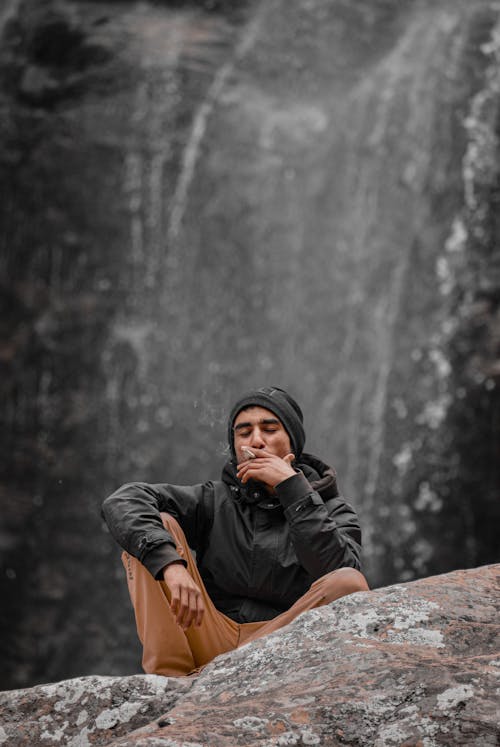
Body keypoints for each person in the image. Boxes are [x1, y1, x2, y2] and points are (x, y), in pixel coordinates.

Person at [102, 386, 369, 676]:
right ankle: (170, 680)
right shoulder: (213, 500)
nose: (256, 441)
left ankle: (227, 671)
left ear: (293, 442)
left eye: (269, 429)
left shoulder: (333, 510)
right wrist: (170, 565)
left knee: (348, 581)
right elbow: (122, 501)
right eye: (244, 432)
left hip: (285, 643)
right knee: (158, 527)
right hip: (207, 633)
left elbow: (343, 580)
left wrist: (293, 490)